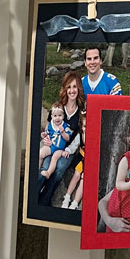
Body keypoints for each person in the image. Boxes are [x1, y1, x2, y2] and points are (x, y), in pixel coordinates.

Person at [39, 71, 86, 205]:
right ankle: (34, 194)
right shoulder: (58, 108)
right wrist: (46, 139)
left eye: (75, 87)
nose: (72, 90)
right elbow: (49, 126)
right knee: (45, 166)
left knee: (59, 168)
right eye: (69, 87)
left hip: (67, 150)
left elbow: (80, 135)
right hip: (53, 146)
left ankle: (45, 198)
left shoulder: (81, 112)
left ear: (79, 89)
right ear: (65, 89)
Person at [38, 104, 73, 184]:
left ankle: (48, 173)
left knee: (54, 158)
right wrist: (44, 135)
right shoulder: (50, 125)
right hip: (51, 146)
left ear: (63, 116)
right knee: (41, 153)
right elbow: (47, 133)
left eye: (60, 115)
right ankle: (37, 169)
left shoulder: (65, 126)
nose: (57, 118)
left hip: (59, 149)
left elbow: (68, 138)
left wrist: (63, 132)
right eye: (55, 116)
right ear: (52, 116)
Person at [62, 112, 87, 210]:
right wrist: (68, 150)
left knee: (84, 179)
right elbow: (73, 145)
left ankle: (75, 203)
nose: (87, 128)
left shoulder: (96, 136)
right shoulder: (80, 135)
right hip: (81, 158)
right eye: (85, 126)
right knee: (76, 175)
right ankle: (67, 197)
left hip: (91, 162)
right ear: (81, 126)